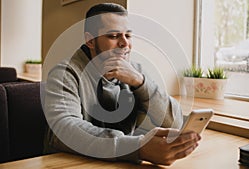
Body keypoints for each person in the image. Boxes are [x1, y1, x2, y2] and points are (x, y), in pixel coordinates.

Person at [44, 3, 201, 166]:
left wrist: (140, 82)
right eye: (113, 36)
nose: (125, 43)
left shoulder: (135, 71)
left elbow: (173, 122)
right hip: (67, 164)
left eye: (128, 35)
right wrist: (139, 148)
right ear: (90, 41)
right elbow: (63, 130)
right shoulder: (65, 73)